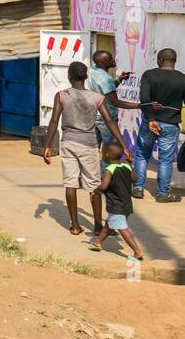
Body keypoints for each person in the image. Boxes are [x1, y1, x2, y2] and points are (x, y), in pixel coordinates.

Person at [43, 61, 132, 235]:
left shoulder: (61, 95)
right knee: (93, 186)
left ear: (69, 77)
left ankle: (75, 226)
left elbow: (54, 121)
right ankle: (98, 226)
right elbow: (110, 121)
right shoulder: (97, 98)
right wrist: (125, 146)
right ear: (86, 77)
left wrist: (47, 145)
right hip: (89, 145)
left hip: (68, 143)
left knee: (70, 184)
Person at [130, 47, 185, 202]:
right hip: (171, 124)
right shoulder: (183, 79)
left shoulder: (149, 75)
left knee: (142, 154)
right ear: (174, 61)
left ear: (160, 60)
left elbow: (144, 97)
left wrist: (151, 119)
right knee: (166, 159)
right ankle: (162, 193)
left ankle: (138, 188)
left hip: (150, 122)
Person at [91, 141, 147, 260]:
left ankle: (137, 252)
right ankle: (98, 242)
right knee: (109, 225)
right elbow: (135, 179)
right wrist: (131, 166)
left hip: (116, 205)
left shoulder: (109, 169)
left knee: (122, 227)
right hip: (126, 204)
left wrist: (96, 191)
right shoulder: (126, 166)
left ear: (106, 155)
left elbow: (104, 186)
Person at [89, 50, 130, 149]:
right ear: (100, 63)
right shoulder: (106, 78)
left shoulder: (92, 71)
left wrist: (120, 79)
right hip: (106, 118)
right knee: (111, 150)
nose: (113, 59)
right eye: (110, 59)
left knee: (94, 149)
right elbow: (115, 102)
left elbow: (106, 90)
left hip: (94, 116)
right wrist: (139, 105)